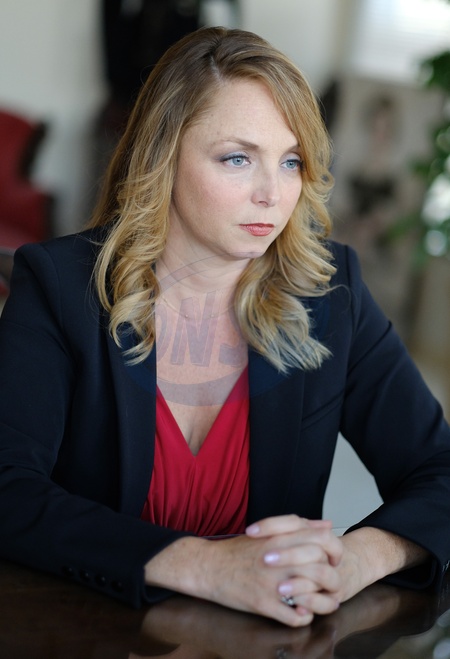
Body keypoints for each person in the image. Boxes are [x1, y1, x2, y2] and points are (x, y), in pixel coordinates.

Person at [0, 26, 449, 629]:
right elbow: (8, 488)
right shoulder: (59, 286)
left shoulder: (331, 293)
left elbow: (440, 470)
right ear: (162, 156)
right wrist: (207, 566)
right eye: (237, 158)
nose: (272, 193)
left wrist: (350, 561)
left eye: (291, 161)